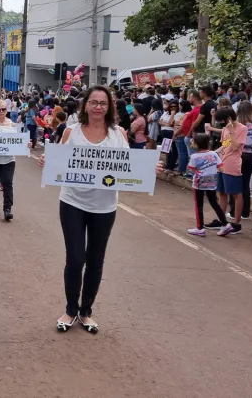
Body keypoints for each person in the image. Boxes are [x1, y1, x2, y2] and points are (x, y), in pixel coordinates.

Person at [36, 85, 162, 334]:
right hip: (73, 201)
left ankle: (86, 311)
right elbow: (58, 161)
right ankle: (71, 309)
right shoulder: (71, 132)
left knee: (95, 259)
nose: (98, 107)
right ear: (85, 106)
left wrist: (149, 170)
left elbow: (129, 167)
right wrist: (46, 161)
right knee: (75, 258)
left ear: (109, 107)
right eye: (93, 102)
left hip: (105, 206)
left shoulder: (119, 135)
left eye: (103, 103)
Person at [214, 108, 247, 236]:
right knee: (222, 192)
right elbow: (225, 145)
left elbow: (234, 147)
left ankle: (237, 223)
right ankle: (222, 220)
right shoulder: (224, 129)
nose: (221, 124)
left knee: (236, 193)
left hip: (232, 164)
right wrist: (214, 153)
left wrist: (232, 130)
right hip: (222, 163)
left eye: (222, 121)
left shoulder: (242, 128)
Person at [186, 134, 226, 237]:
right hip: (212, 181)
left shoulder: (194, 156)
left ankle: (200, 228)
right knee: (214, 203)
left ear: (197, 144)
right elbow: (221, 168)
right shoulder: (213, 154)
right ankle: (225, 224)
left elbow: (191, 168)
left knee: (198, 205)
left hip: (199, 183)